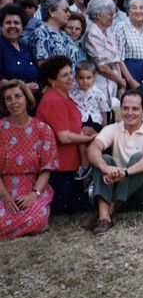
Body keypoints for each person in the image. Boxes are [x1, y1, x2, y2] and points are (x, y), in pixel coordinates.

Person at [86, 90, 143, 235]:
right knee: (103, 159)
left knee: (140, 157)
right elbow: (93, 149)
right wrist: (106, 167)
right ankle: (104, 218)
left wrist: (125, 173)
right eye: (126, 108)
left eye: (135, 109)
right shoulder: (112, 128)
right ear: (120, 109)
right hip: (123, 195)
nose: (130, 113)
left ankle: (109, 210)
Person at [35, 57, 95, 216]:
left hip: (70, 166)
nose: (71, 78)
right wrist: (89, 138)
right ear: (51, 80)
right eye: (64, 75)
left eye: (70, 73)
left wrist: (84, 130)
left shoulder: (63, 96)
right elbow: (64, 137)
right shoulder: (53, 100)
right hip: (61, 170)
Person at [0, 80, 57, 240]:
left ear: (27, 98)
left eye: (18, 96)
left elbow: (47, 168)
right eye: (8, 98)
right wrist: (6, 198)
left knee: (37, 219)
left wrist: (34, 194)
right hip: (3, 188)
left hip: (33, 187)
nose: (13, 102)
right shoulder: (1, 128)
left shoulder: (43, 129)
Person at [84, 0, 126, 108]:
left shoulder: (109, 31)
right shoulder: (92, 34)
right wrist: (120, 81)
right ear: (98, 15)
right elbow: (101, 66)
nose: (111, 17)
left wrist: (121, 86)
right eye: (109, 14)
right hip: (100, 83)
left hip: (114, 82)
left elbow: (116, 59)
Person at [31, 0, 82, 70]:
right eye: (65, 11)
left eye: (69, 11)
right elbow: (44, 66)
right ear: (51, 11)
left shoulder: (64, 34)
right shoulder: (42, 33)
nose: (69, 14)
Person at [0, 4, 38, 91]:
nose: (12, 26)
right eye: (8, 22)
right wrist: (24, 87)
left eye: (16, 23)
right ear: (2, 26)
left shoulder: (26, 48)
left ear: (22, 26)